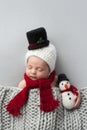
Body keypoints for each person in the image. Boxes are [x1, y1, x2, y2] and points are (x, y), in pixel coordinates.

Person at [6, 27, 81, 116]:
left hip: (53, 116)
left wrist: (76, 96)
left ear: (49, 70)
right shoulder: (24, 84)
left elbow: (68, 89)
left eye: (39, 69)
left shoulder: (55, 81)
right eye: (29, 67)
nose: (33, 72)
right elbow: (17, 97)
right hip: (30, 115)